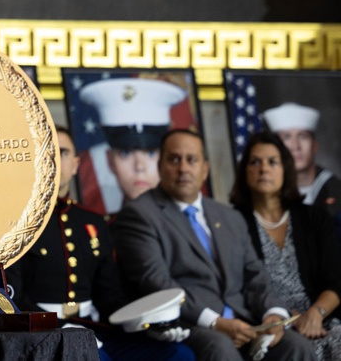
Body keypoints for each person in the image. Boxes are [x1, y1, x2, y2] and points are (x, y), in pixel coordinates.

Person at [113, 129, 315, 360]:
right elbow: (157, 284)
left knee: (296, 346)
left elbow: (255, 276)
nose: (183, 168)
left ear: (204, 169)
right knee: (219, 347)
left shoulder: (229, 216)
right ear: (159, 166)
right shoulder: (139, 215)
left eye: (192, 160)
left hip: (245, 320)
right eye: (174, 159)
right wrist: (215, 322)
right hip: (188, 324)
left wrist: (273, 314)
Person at [6, 128, 194, 361]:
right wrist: (58, 328)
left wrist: (148, 324)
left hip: (94, 326)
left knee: (177, 354)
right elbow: (11, 297)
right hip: (41, 333)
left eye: (63, 152)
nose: (55, 158)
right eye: (48, 151)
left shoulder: (92, 222)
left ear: (76, 164)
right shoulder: (16, 223)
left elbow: (110, 296)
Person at [230, 131, 341, 359]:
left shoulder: (314, 218)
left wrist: (315, 314)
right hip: (269, 324)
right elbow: (236, 290)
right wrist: (283, 315)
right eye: (255, 162)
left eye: (272, 162)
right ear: (244, 172)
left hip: (321, 319)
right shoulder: (233, 224)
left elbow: (336, 280)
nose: (264, 169)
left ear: (286, 169)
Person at [78, 77, 188, 214]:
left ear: (166, 159)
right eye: (126, 153)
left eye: (151, 153)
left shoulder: (188, 227)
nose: (139, 167)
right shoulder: (100, 232)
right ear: (110, 161)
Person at [262, 102, 341, 239]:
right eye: (286, 137)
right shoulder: (263, 195)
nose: (295, 146)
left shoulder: (337, 190)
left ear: (315, 146)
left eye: (302, 136)